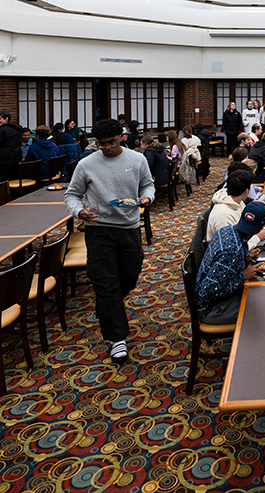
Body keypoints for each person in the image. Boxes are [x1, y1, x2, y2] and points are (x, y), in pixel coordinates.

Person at [64, 118, 155, 364]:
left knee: (129, 275)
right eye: (101, 144)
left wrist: (146, 199)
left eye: (111, 143)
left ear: (122, 137)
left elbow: (148, 185)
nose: (106, 148)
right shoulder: (86, 164)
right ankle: (117, 339)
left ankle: (109, 304)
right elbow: (72, 194)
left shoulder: (137, 160)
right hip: (99, 230)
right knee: (105, 284)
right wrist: (78, 211)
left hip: (129, 228)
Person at [195, 202, 265, 325]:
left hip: (208, 301)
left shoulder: (227, 230)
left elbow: (224, 269)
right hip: (210, 310)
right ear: (260, 229)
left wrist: (246, 258)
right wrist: (243, 276)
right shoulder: (233, 251)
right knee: (258, 307)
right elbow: (208, 291)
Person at [206, 169, 265, 250]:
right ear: (247, 191)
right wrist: (257, 238)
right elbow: (231, 250)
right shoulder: (223, 216)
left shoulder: (237, 201)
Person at [0, 110, 23, 181]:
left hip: (4, 160)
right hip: (16, 158)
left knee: (3, 181)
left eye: (0, 119)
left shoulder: (2, 130)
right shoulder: (18, 128)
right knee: (14, 179)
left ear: (6, 118)